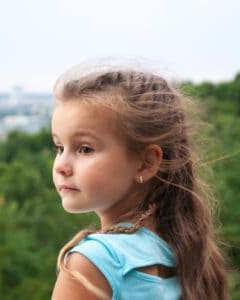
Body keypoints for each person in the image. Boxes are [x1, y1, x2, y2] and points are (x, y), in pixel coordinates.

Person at [50, 66, 228, 300]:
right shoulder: (186, 250)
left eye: (85, 149)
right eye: (59, 148)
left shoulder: (92, 263)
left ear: (145, 163)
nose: (61, 165)